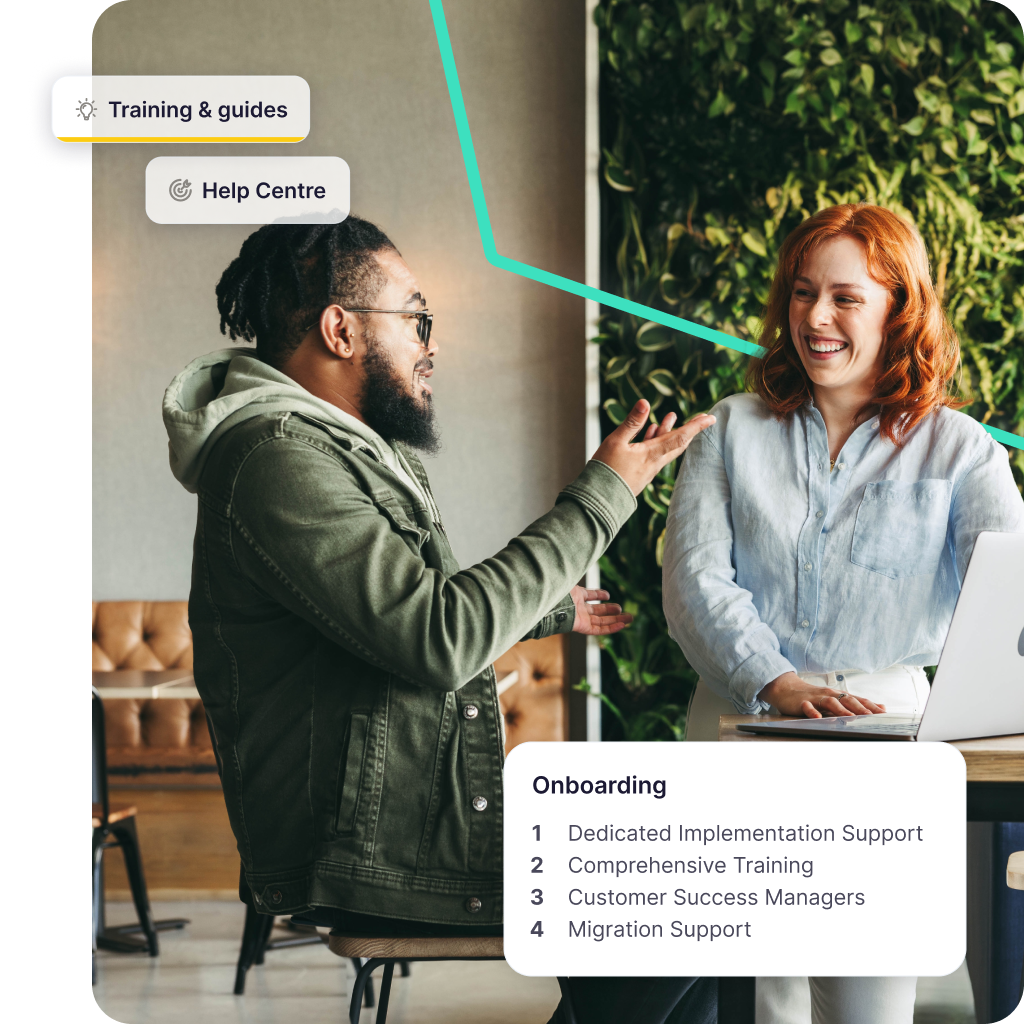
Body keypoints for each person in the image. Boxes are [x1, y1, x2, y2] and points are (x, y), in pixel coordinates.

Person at [163, 218, 717, 1024]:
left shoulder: (342, 450)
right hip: (372, 848)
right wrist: (604, 492)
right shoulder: (276, 458)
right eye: (415, 318)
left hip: (412, 818)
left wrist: (549, 608)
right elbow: (439, 637)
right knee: (694, 896)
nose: (431, 343)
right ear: (341, 329)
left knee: (703, 890)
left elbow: (404, 611)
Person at [661, 203, 1023, 1024]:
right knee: (757, 1000)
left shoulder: (961, 449)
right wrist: (775, 680)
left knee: (870, 1003)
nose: (815, 318)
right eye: (802, 292)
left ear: (901, 310)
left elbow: (1009, 602)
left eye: (845, 298)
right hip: (742, 720)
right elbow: (693, 582)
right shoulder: (730, 429)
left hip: (887, 729)